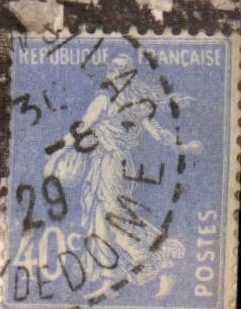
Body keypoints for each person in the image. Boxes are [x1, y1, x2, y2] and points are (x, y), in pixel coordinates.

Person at [43, 55, 202, 294]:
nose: (118, 73)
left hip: (112, 165)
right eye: (115, 69)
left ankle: (157, 260)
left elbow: (156, 133)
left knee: (113, 218)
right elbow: (82, 128)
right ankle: (110, 278)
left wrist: (183, 146)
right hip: (108, 164)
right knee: (100, 218)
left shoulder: (118, 102)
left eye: (123, 69)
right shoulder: (118, 101)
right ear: (109, 73)